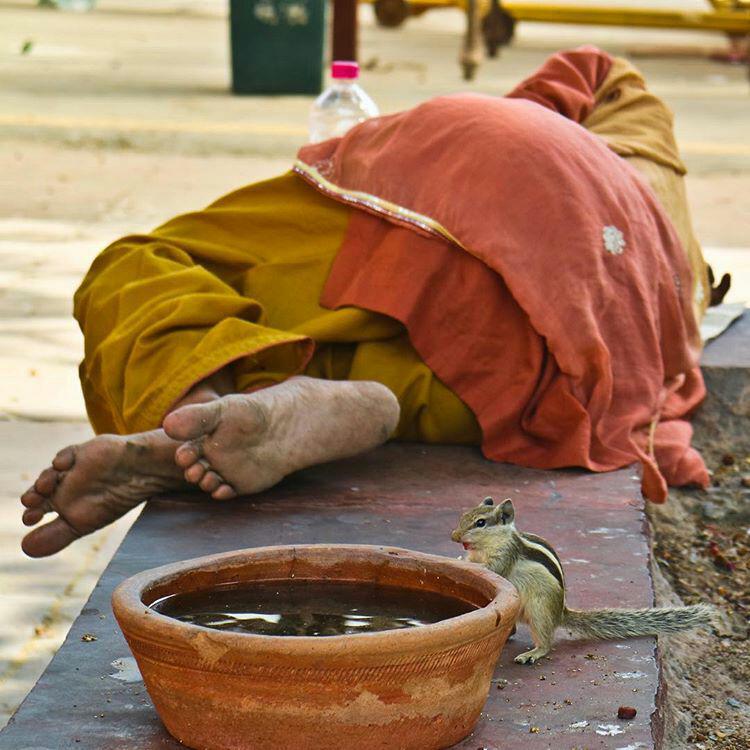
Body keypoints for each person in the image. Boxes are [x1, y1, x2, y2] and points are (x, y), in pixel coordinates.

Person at [20, 47, 712, 558]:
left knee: (142, 263)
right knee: (462, 381)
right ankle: (324, 399)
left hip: (475, 171)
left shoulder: (636, 139)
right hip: (561, 358)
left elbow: (593, 70)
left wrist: (523, 111)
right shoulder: (674, 312)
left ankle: (201, 400)